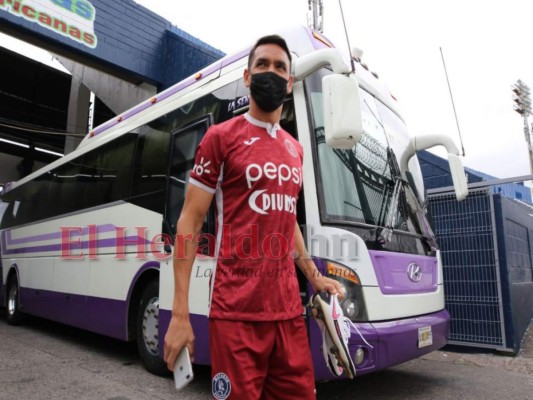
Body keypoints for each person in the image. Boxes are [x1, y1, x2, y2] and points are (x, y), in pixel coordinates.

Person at [163, 34, 343, 400]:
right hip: (235, 316)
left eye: (280, 67)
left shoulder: (295, 150)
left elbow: (287, 218)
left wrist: (314, 276)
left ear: (290, 82)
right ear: (247, 77)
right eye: (262, 65)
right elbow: (190, 221)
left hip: (289, 314)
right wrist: (180, 313)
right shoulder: (220, 137)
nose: (271, 73)